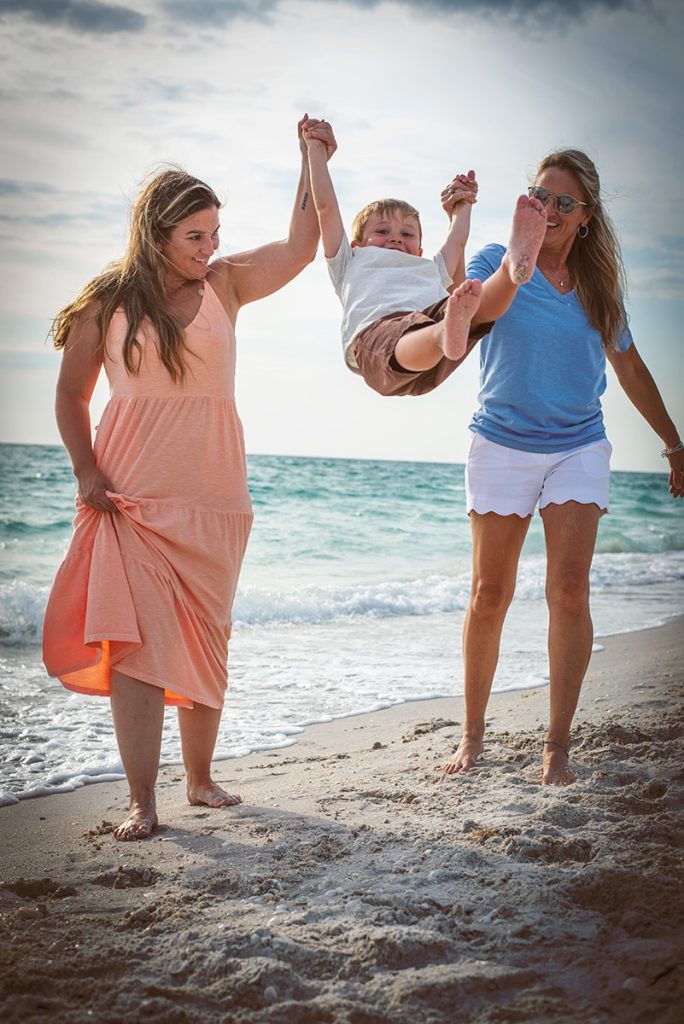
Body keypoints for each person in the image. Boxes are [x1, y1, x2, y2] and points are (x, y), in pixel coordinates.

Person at [42, 116, 334, 840]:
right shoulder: (107, 301)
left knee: (208, 635)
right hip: (129, 496)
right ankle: (143, 800)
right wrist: (86, 470)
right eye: (194, 237)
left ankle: (200, 780)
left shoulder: (228, 284)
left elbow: (303, 246)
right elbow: (70, 394)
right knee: (134, 645)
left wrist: (310, 158)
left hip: (214, 493)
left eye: (214, 233)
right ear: (156, 235)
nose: (209, 249)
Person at [442, 148, 684, 786]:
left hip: (578, 444)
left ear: (585, 218)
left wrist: (673, 443)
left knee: (568, 590)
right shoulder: (497, 262)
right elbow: (473, 307)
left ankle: (556, 746)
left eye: (563, 203)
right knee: (489, 594)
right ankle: (472, 736)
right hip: (501, 440)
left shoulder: (599, 291)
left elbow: (630, 368)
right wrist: (481, 234)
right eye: (539, 197)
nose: (549, 210)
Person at [302, 118, 548, 397]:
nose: (395, 238)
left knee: (472, 307)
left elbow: (457, 239)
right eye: (382, 231)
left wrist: (464, 205)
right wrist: (316, 150)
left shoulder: (428, 268)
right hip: (380, 341)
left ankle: (511, 268)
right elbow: (326, 208)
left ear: (419, 250)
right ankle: (445, 332)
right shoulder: (350, 260)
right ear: (357, 243)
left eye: (407, 234)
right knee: (433, 324)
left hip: (436, 337)